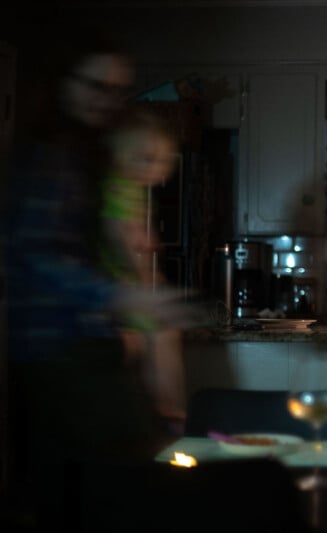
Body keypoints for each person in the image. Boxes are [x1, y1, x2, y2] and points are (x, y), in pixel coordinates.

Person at [3, 28, 181, 529]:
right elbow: (32, 252)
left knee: (92, 481)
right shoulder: (50, 155)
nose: (107, 101)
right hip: (58, 346)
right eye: (94, 86)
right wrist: (118, 292)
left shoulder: (85, 155)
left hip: (80, 341)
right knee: (119, 474)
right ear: (64, 82)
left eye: (116, 90)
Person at [100, 108, 187, 433]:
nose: (157, 168)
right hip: (120, 286)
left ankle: (165, 409)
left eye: (162, 160)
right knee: (162, 335)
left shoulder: (131, 189)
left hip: (125, 286)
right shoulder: (122, 189)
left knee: (161, 335)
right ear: (123, 155)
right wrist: (147, 282)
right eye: (146, 159)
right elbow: (125, 240)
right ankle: (171, 411)